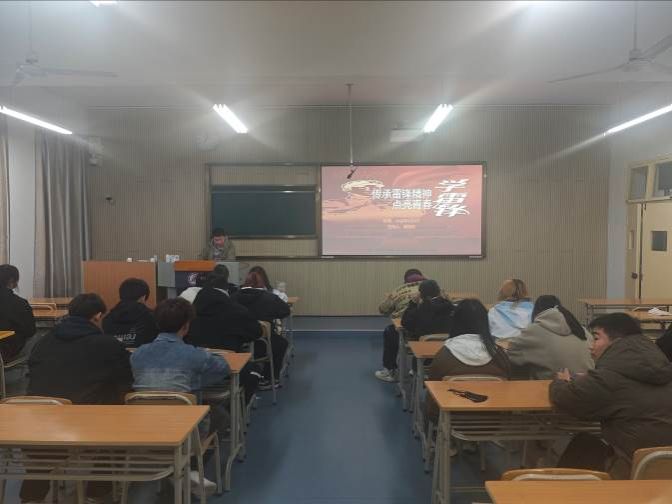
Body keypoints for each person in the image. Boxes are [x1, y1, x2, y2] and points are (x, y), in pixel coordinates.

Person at [23, 294, 132, 504]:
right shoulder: (107, 344)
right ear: (97, 316)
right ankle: (96, 492)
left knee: (46, 425)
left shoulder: (42, 342)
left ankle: (32, 496)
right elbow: (125, 380)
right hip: (85, 426)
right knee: (120, 419)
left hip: (38, 426)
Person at [550, 313, 672, 479]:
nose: (591, 347)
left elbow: (566, 398)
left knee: (581, 444)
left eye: (596, 338)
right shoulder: (661, 366)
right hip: (662, 467)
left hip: (633, 471)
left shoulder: (609, 378)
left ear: (616, 341)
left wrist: (560, 381)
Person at [130, 297, 230, 493]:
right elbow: (223, 369)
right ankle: (190, 466)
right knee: (221, 416)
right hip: (185, 432)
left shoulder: (138, 354)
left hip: (143, 429)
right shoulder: (195, 355)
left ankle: (176, 469)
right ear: (186, 326)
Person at [425, 299, 510, 422]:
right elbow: (508, 390)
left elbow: (432, 396)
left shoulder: (445, 355)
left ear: (455, 321)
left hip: (452, 419)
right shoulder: (500, 356)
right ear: (485, 322)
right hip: (493, 419)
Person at [187, 270, 263, 401]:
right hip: (227, 369)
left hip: (191, 372)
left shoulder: (188, 310)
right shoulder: (238, 311)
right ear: (226, 289)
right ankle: (234, 410)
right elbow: (257, 332)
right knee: (254, 371)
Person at [507, 295, 593, 380]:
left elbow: (512, 354)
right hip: (589, 384)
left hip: (555, 385)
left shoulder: (535, 330)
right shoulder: (582, 330)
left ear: (536, 311)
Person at [232, 271, 290, 387]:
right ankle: (270, 378)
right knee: (282, 344)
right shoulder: (269, 298)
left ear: (245, 282)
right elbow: (285, 311)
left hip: (238, 343)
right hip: (262, 343)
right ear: (262, 284)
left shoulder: (233, 297)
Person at [374, 268, 425, 382]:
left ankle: (390, 371)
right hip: (430, 335)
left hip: (407, 334)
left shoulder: (398, 291)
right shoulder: (435, 289)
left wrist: (389, 298)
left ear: (405, 281)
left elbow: (383, 310)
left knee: (390, 331)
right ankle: (420, 368)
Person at [102, 278, 159, 348]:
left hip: (115, 354)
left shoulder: (107, 319)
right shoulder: (153, 317)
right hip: (145, 354)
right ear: (143, 297)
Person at [0, 264, 35, 362]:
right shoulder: (20, 303)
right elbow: (31, 331)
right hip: (7, 351)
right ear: (12, 281)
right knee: (38, 337)